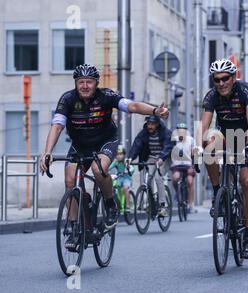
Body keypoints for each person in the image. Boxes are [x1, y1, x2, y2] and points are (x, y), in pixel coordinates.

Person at [39, 64, 169, 248]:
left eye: (89, 82)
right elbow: (57, 125)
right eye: (80, 82)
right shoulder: (67, 99)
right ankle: (75, 228)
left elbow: (132, 106)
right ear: (76, 83)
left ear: (96, 83)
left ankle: (110, 203)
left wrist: (155, 111)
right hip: (80, 145)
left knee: (98, 169)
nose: (84, 86)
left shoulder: (106, 96)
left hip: (105, 142)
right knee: (69, 181)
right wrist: (47, 152)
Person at [195, 59, 248, 259]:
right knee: (208, 143)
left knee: (247, 182)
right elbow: (204, 126)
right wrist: (199, 146)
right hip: (225, 136)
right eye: (216, 80)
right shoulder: (211, 96)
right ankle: (220, 195)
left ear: (233, 78)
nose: (221, 83)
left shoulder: (246, 91)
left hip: (246, 136)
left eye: (225, 78)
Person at [128, 115, 174, 217]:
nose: (150, 126)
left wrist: (162, 158)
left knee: (158, 177)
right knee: (148, 180)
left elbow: (168, 146)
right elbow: (137, 144)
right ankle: (151, 204)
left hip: (165, 157)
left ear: (157, 124)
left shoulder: (165, 132)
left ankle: (163, 206)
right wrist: (130, 157)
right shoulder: (144, 133)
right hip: (152, 157)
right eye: (148, 124)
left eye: (152, 124)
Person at [170, 123, 197, 213]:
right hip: (176, 165)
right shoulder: (174, 140)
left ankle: (190, 204)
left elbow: (194, 154)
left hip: (188, 164)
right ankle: (178, 194)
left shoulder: (191, 140)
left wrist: (193, 166)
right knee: (175, 178)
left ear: (186, 131)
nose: (181, 132)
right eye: (179, 131)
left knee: (190, 181)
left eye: (183, 130)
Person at [109, 145, 135, 212]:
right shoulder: (115, 161)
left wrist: (128, 170)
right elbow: (109, 168)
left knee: (125, 187)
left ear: (124, 155)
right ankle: (115, 203)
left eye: (121, 154)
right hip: (119, 178)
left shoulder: (126, 161)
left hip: (126, 178)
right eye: (117, 154)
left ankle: (128, 205)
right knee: (112, 187)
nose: (119, 156)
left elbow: (132, 168)